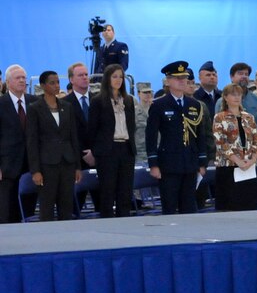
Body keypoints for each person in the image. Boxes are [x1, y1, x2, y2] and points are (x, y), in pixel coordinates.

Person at [146, 61, 209, 215]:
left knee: (189, 207)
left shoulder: (194, 105)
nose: (182, 81)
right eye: (177, 78)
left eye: (184, 77)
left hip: (190, 162)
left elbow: (200, 135)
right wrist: (153, 163)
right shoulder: (159, 105)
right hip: (169, 163)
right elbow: (151, 135)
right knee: (170, 206)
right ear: (168, 81)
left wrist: (202, 162)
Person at [26, 70, 82, 221]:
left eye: (58, 82)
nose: (56, 85)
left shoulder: (67, 106)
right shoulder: (34, 108)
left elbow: (73, 138)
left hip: (67, 162)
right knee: (47, 206)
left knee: (66, 205)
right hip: (47, 164)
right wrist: (35, 170)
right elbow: (32, 141)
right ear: (43, 85)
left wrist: (77, 166)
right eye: (52, 83)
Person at [87, 63, 137, 217]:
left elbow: (132, 126)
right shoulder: (98, 101)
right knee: (108, 191)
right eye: (114, 76)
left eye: (121, 77)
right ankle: (107, 222)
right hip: (107, 151)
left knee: (125, 191)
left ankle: (124, 219)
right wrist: (93, 150)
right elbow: (92, 129)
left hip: (126, 149)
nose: (118, 80)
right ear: (107, 79)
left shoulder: (128, 100)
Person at [212, 83, 257, 211]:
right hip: (228, 166)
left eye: (239, 94)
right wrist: (238, 161)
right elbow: (221, 143)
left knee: (248, 203)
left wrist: (252, 159)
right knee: (229, 205)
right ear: (225, 97)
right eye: (233, 94)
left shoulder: (249, 117)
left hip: (248, 166)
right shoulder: (220, 117)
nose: (236, 97)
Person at [0, 64, 36, 222]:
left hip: (32, 166)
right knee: (7, 212)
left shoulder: (35, 102)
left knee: (28, 212)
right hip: (7, 167)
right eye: (18, 78)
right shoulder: (1, 104)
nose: (22, 81)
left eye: (24, 78)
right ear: (8, 82)